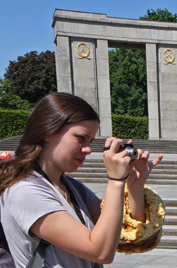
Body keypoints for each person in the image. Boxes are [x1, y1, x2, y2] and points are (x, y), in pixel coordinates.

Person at [0, 92, 164, 267]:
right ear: (48, 131)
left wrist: (134, 185)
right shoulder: (25, 191)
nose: (88, 149)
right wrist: (116, 180)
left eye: (91, 141)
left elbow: (123, 234)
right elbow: (100, 252)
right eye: (81, 138)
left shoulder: (72, 187)